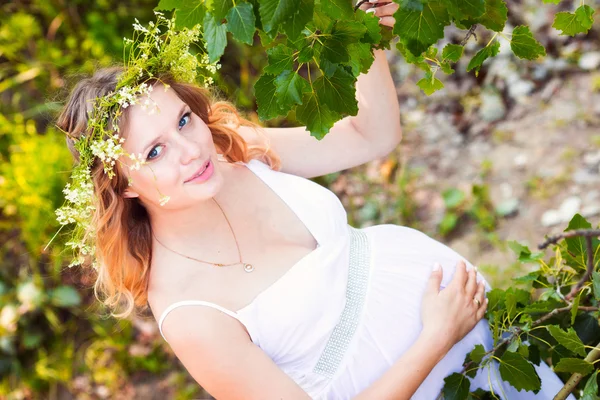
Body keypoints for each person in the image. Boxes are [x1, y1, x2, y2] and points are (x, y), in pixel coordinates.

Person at [52, 6, 573, 400]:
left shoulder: (237, 152)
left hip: (479, 339)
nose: (192, 150)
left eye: (183, 120)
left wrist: (363, 33)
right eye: (156, 150)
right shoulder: (191, 313)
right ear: (122, 185)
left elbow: (371, 136)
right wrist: (435, 336)